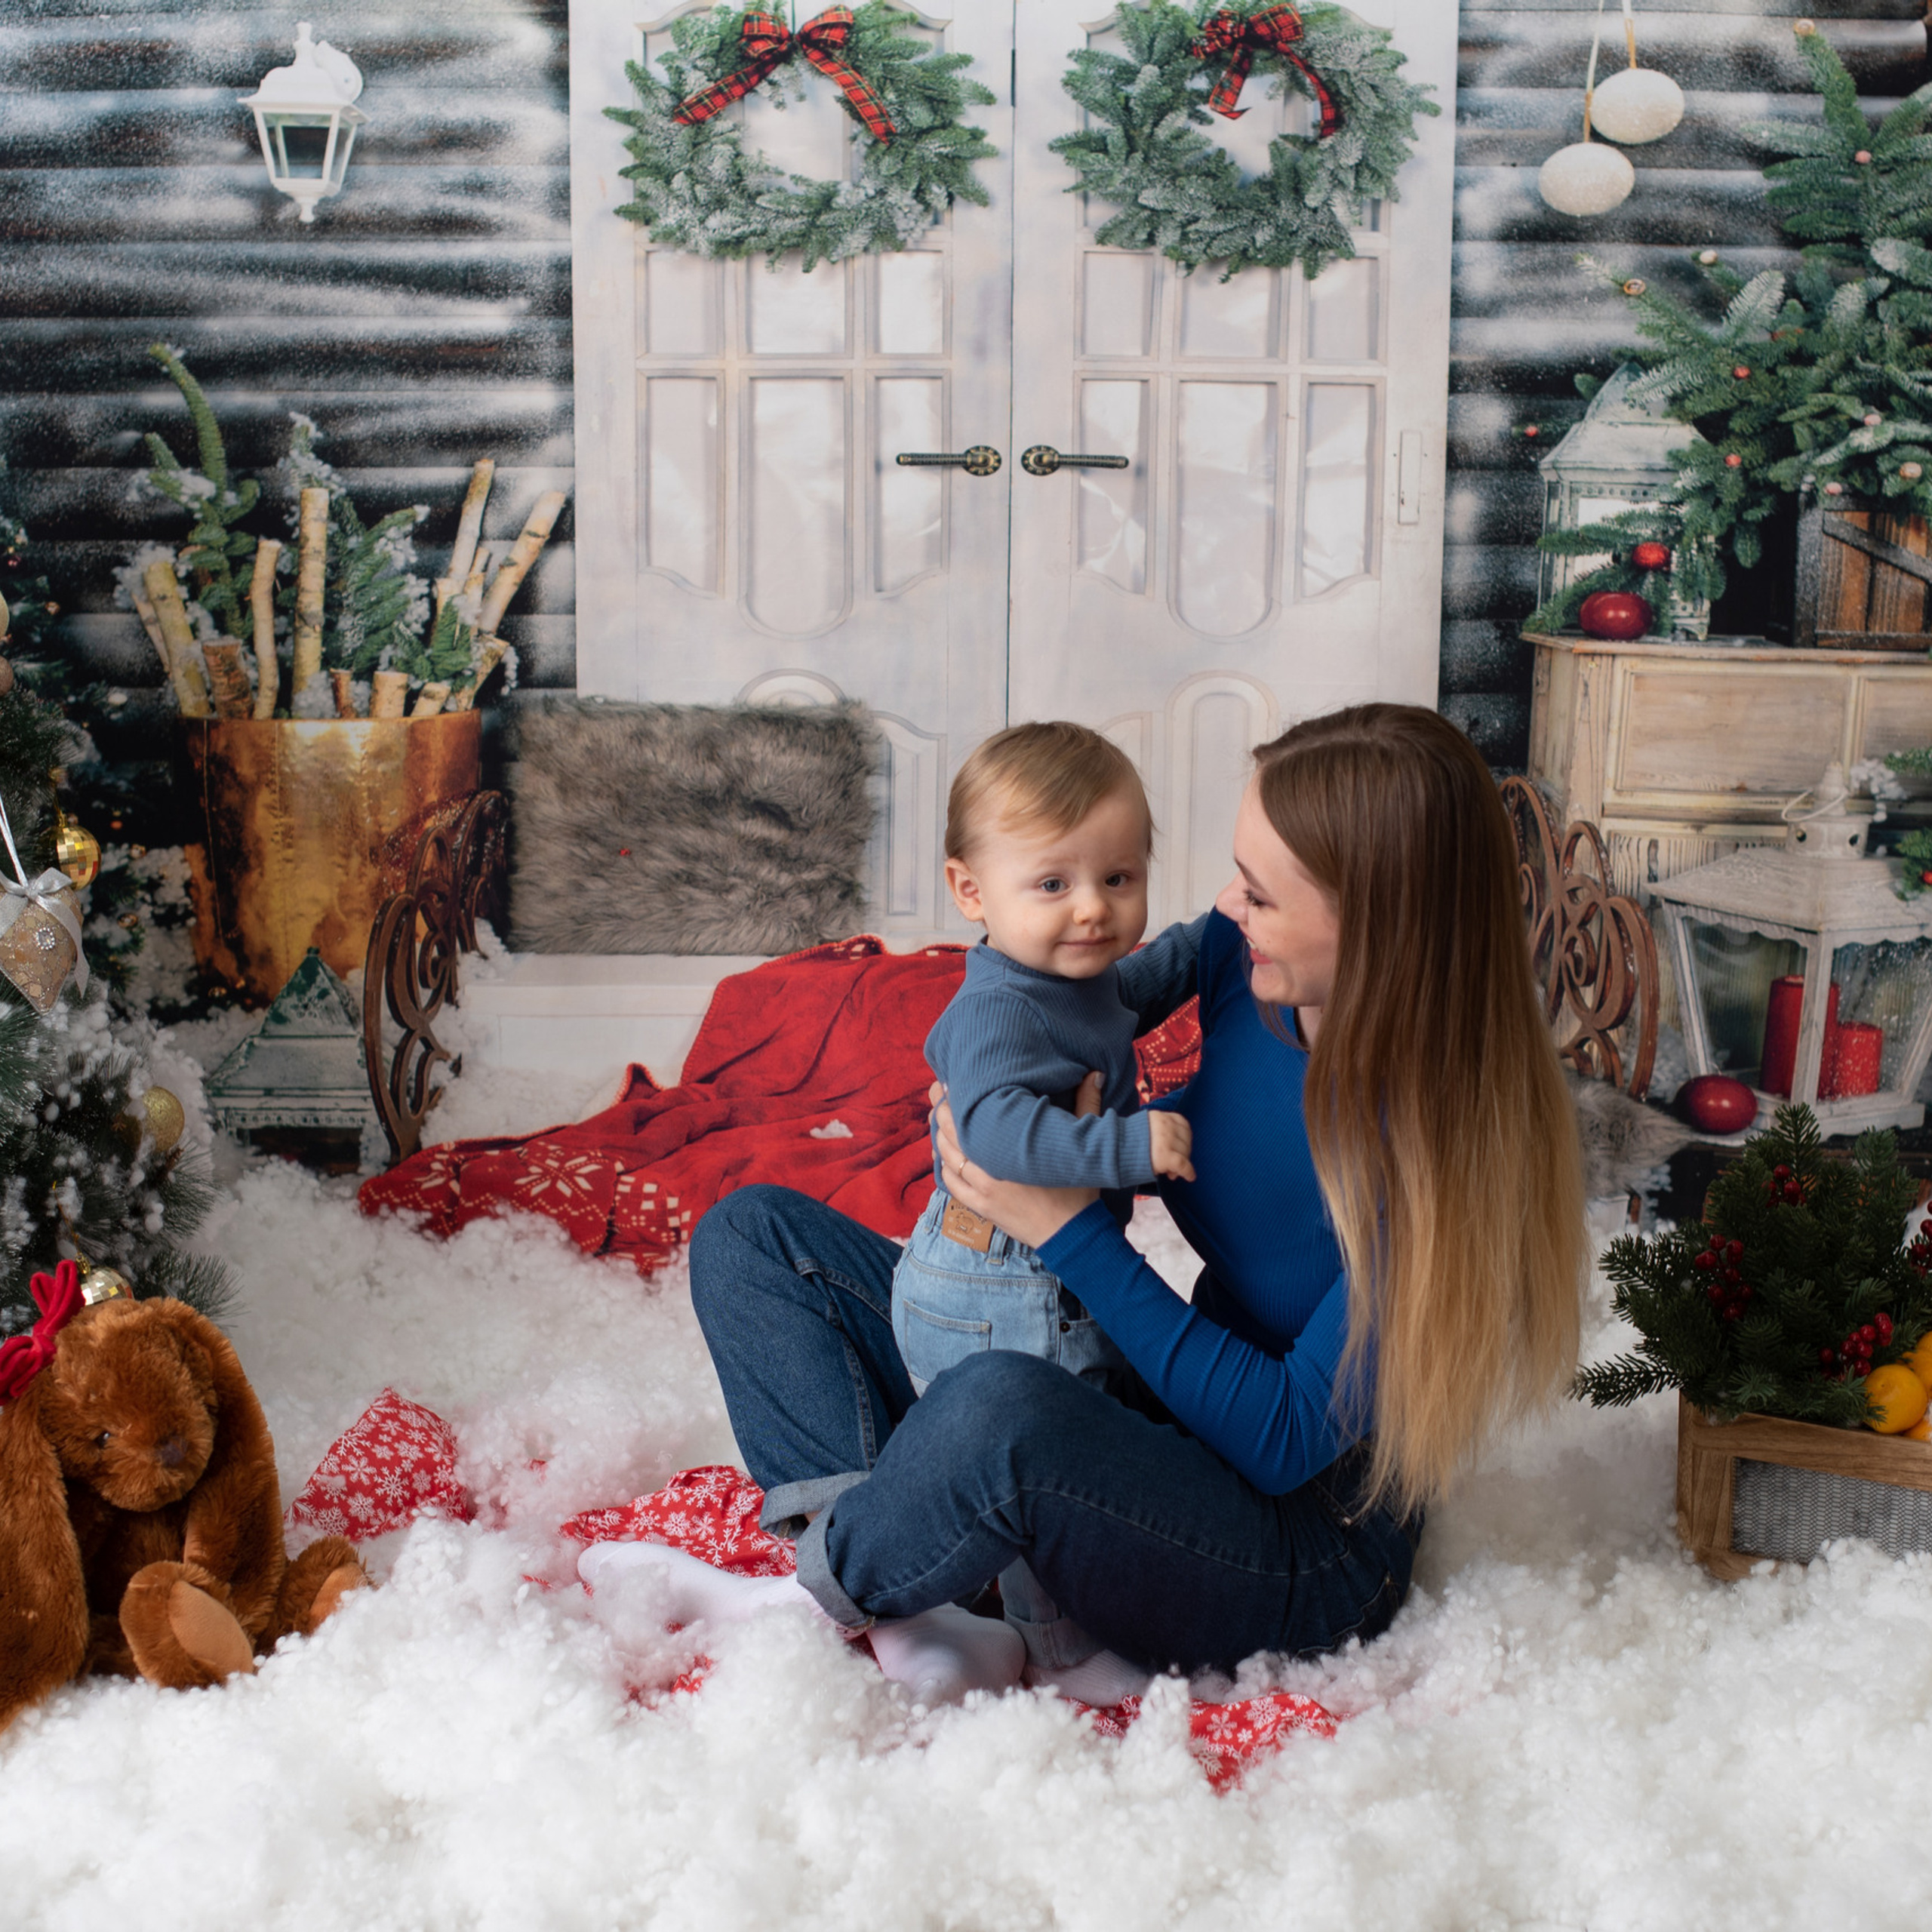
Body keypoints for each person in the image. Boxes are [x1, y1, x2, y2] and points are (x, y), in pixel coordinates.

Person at [580, 703, 1587, 1710]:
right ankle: (916, 1603)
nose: (1229, 905)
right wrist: (1013, 1111)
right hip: (1158, 1411)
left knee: (998, 1410)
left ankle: (816, 1600)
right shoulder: (1249, 965)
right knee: (756, 1239)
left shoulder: (1432, 1152)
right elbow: (1091, 1036)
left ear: (1382, 919)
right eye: (1238, 871)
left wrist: (1063, 1225)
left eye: (1264, 893)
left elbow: (1282, 1440)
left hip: (1292, 1549)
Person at [889, 721, 1196, 1675]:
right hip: (999, 1286)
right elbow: (996, 1136)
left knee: (1059, 1433)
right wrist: (1125, 1145)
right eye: (1053, 884)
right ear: (971, 892)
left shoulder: (1065, 978)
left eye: (1118, 878)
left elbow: (1129, 988)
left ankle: (953, 1597)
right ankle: (1059, 1647)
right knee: (1048, 1450)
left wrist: (1214, 934)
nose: (1093, 913)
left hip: (1007, 1272)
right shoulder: (996, 1010)